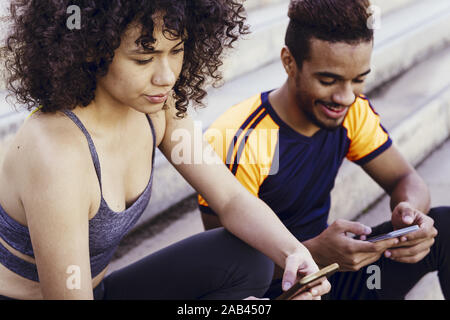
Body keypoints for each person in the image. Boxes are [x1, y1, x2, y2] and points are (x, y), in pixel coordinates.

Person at [0, 0, 331, 300]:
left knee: (251, 255)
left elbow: (230, 199)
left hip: (97, 291)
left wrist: (294, 254)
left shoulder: (157, 110)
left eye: (177, 50)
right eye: (144, 58)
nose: (167, 76)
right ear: (90, 49)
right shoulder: (57, 153)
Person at [198, 0, 450, 300]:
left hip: (333, 275)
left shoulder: (352, 111)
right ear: (289, 62)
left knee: (445, 229)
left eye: (358, 79)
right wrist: (311, 253)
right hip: (271, 292)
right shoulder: (240, 137)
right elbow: (225, 271)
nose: (344, 97)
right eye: (328, 80)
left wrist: (410, 217)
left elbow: (404, 179)